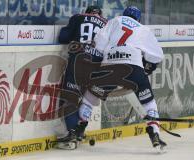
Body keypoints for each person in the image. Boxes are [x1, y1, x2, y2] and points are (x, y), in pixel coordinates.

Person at [94, 6, 167, 150]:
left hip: (110, 67)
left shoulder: (114, 22)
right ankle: (154, 132)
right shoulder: (142, 29)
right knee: (149, 103)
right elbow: (156, 56)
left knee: (91, 96)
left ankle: (78, 128)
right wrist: (146, 70)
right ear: (138, 19)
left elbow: (100, 43)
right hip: (133, 69)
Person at [56, 5, 107, 149]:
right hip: (96, 67)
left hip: (78, 61)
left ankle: (72, 135)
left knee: (70, 97)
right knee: (87, 101)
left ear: (87, 12)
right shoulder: (108, 23)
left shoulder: (78, 17)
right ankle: (79, 131)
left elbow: (63, 37)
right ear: (100, 14)